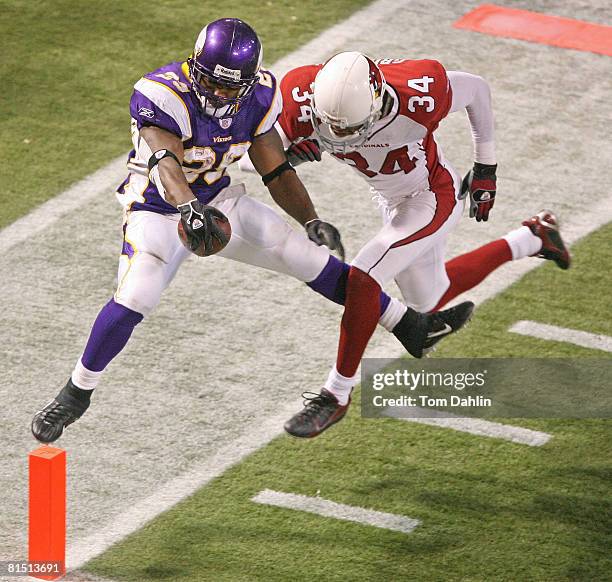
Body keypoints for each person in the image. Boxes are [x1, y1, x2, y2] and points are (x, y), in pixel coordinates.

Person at [31, 21, 473, 444]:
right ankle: (75, 393)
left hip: (221, 201)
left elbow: (275, 168)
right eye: (213, 82)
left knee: (308, 257)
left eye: (230, 86)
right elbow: (165, 164)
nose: (221, 93)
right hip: (159, 210)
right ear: (195, 66)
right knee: (137, 294)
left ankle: (412, 327)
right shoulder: (161, 94)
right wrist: (188, 209)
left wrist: (310, 219)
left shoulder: (261, 95)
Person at [274, 52, 570, 438]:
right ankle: (533, 238)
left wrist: (487, 167)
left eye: (349, 128)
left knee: (362, 280)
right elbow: (253, 157)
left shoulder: (417, 93)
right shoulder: (300, 93)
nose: (338, 137)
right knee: (429, 299)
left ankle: (336, 393)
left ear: (378, 101)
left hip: (429, 197)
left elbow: (477, 89)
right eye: (330, 127)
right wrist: (285, 156)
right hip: (391, 202)